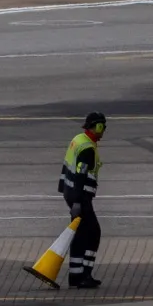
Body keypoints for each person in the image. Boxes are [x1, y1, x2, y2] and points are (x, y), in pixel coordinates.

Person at [58, 111, 106, 289]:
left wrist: (64, 189)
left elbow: (66, 165)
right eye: (102, 127)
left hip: (70, 193)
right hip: (81, 197)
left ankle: (75, 275)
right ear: (97, 127)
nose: (103, 132)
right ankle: (85, 274)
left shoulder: (78, 139)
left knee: (79, 235)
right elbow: (80, 175)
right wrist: (77, 202)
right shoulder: (87, 149)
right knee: (93, 233)